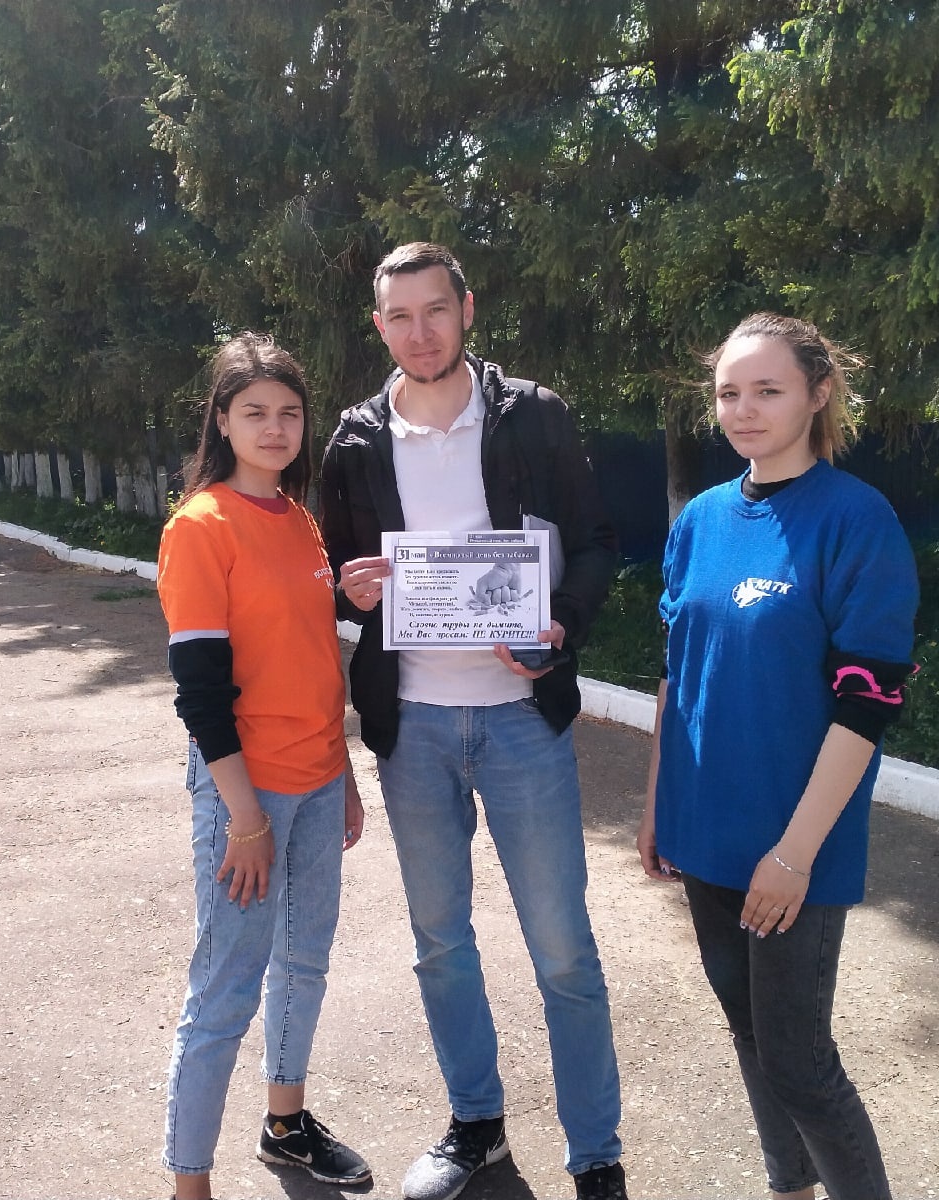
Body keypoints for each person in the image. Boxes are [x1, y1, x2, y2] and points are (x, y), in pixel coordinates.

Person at [320, 242, 627, 1200]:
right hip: (412, 728)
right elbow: (336, 578)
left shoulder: (532, 415)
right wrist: (350, 590)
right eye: (400, 316)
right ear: (379, 326)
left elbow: (597, 543)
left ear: (467, 308)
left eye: (435, 310)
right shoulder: (354, 441)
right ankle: (475, 1125)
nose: (420, 332)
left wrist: (561, 622)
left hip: (522, 722)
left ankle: (596, 1155)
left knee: (563, 950)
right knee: (441, 943)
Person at [639, 312, 918, 1200]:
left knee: (799, 1059)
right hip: (702, 831)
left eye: (768, 390)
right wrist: (656, 807)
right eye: (729, 393)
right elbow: (678, 674)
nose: (744, 411)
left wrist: (794, 855)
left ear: (818, 394)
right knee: (750, 1035)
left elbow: (868, 706)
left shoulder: (856, 520)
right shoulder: (700, 521)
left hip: (795, 847)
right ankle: (787, 1188)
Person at [156, 332, 371, 1200]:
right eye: (255, 412)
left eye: (289, 412)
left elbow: (314, 660)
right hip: (246, 792)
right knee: (225, 993)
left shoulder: (299, 518)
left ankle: (286, 1124)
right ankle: (190, 1185)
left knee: (304, 963)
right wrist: (243, 818)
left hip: (317, 781)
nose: (275, 428)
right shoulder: (201, 526)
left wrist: (343, 774)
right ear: (222, 420)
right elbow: (201, 693)